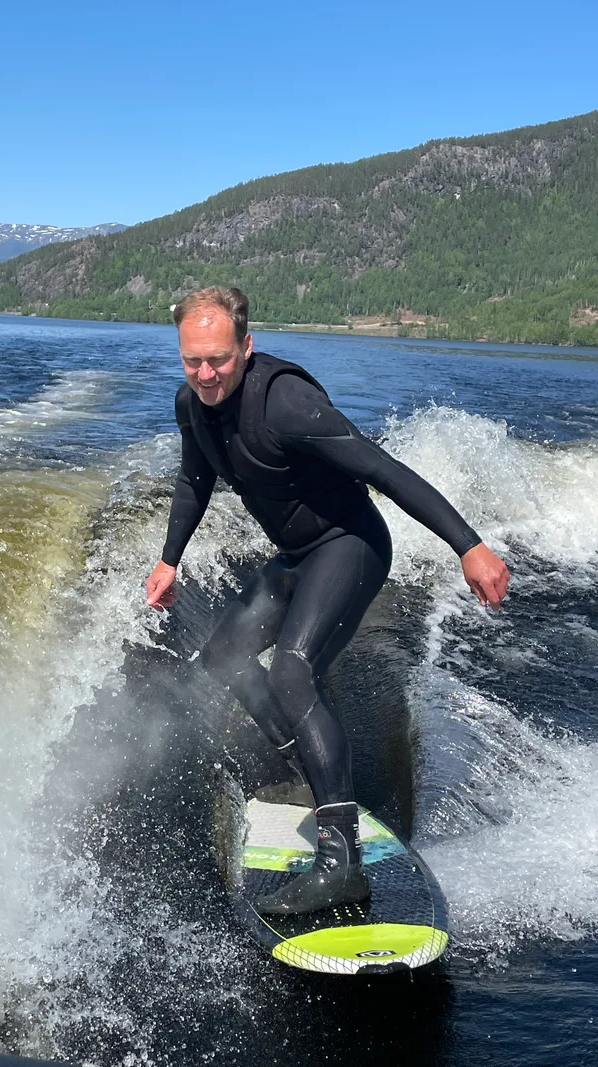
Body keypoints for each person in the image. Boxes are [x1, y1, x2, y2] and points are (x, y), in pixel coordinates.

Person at [145, 286, 510, 917]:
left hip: (350, 545)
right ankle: (302, 756)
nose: (205, 375)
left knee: (293, 668)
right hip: (294, 557)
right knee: (223, 658)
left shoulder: (288, 403)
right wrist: (169, 557)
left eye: (219, 360)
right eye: (192, 360)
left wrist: (469, 547)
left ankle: (342, 865)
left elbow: (386, 471)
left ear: (246, 347)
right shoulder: (192, 405)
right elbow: (193, 479)